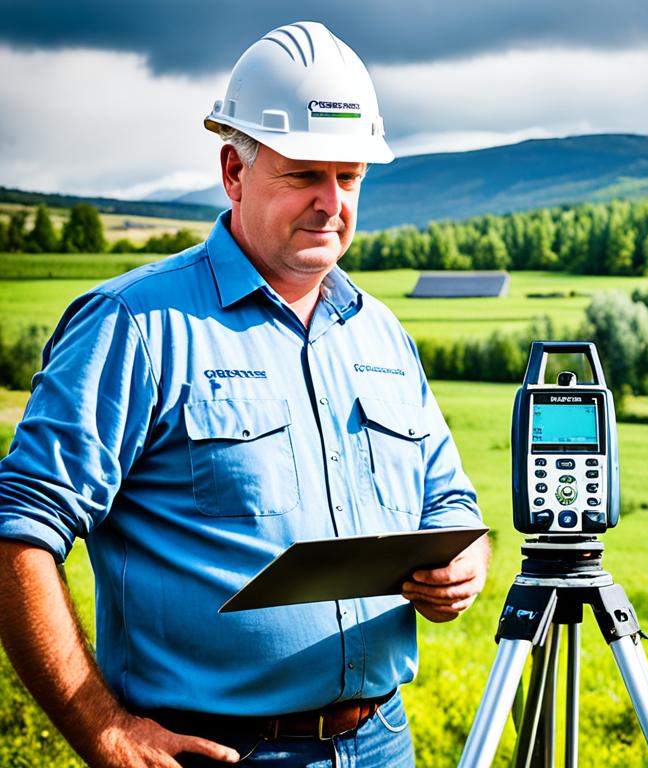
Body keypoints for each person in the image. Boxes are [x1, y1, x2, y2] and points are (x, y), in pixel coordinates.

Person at [0, 21, 488, 768]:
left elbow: (452, 505)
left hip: (384, 741)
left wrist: (463, 567)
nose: (332, 203)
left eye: (349, 177)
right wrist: (100, 728)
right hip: (215, 752)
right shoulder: (135, 325)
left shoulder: (381, 333)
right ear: (233, 170)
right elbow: (18, 534)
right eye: (304, 176)